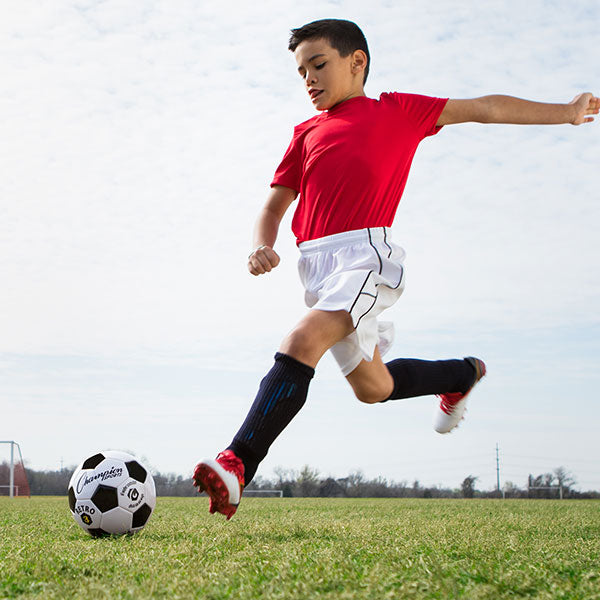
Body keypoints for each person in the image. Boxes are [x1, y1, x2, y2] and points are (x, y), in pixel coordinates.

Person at [193, 19, 599, 519]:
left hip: (366, 257)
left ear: (356, 61)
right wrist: (261, 245)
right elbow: (274, 206)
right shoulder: (305, 134)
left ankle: (237, 464)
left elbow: (485, 107)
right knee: (373, 388)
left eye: (318, 65)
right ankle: (462, 374)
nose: (309, 80)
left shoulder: (398, 110)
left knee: (301, 342)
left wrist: (566, 112)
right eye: (300, 72)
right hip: (316, 268)